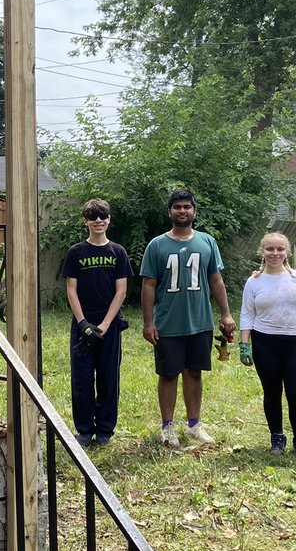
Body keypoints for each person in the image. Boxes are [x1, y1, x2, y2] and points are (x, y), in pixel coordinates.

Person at [140, 189, 236, 448]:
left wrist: (225, 313)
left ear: (194, 211)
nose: (182, 211)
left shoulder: (207, 242)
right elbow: (149, 285)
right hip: (168, 323)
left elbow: (215, 279)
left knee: (194, 372)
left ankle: (194, 424)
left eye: (187, 207)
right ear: (169, 211)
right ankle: (167, 427)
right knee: (169, 374)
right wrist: (148, 322)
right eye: (177, 207)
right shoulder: (157, 245)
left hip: (199, 321)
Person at [239, 232, 296, 458]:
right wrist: (244, 344)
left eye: (280, 249)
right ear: (262, 252)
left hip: (294, 342)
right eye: (270, 249)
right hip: (264, 342)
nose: (274, 253)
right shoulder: (254, 281)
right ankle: (277, 437)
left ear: (287, 252)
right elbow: (247, 313)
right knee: (272, 392)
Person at [61, 198, 132, 447]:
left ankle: (104, 430)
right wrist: (83, 324)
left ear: (109, 219)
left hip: (109, 326)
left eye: (102, 216)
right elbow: (71, 290)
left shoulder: (118, 252)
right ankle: (83, 429)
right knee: (81, 379)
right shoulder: (76, 252)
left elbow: (121, 291)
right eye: (93, 216)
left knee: (108, 377)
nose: (98, 221)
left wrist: (103, 325)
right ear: (86, 221)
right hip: (82, 324)